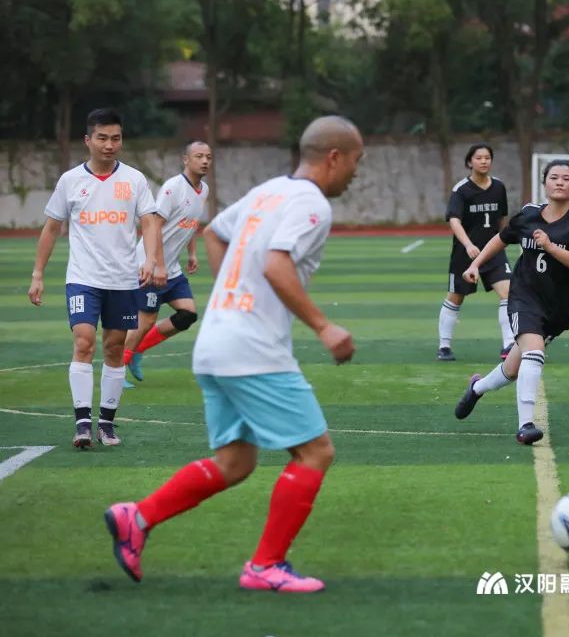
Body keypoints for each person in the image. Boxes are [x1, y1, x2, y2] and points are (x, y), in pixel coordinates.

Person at [104, 116, 363, 593]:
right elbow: (277, 265)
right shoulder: (312, 203)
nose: (355, 172)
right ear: (334, 157)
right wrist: (324, 327)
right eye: (355, 161)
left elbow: (213, 234)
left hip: (216, 342)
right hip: (252, 349)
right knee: (314, 452)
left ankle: (135, 517)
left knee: (236, 462)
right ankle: (266, 566)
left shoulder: (268, 192)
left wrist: (231, 296)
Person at [27, 108, 166, 449]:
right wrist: (38, 274)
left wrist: (151, 258)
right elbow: (51, 227)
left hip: (123, 280)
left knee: (115, 347)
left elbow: (149, 221)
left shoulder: (134, 180)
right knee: (84, 342)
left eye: (115, 138)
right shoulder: (70, 181)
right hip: (83, 278)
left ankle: (106, 423)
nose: (109, 145)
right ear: (88, 140)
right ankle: (81, 424)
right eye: (102, 138)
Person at [453, 159, 569, 445]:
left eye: (566, 178)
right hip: (524, 296)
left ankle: (477, 388)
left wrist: (550, 247)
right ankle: (525, 425)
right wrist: (476, 265)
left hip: (556, 307)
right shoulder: (529, 214)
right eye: (553, 177)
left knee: (514, 368)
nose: (559, 182)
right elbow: (501, 239)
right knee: (534, 352)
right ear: (544, 182)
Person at [122, 141, 213, 385]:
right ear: (186, 159)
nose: (205, 161)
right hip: (149, 264)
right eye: (199, 156)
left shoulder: (203, 190)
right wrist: (158, 266)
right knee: (145, 321)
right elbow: (154, 226)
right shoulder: (173, 188)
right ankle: (117, 369)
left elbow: (190, 223)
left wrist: (192, 253)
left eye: (208, 157)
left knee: (187, 315)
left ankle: (137, 351)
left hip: (171, 268)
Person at [436, 143, 513, 361]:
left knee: (509, 293)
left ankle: (508, 345)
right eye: (479, 158)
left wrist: (503, 239)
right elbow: (454, 220)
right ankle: (444, 346)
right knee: (455, 297)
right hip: (465, 254)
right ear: (470, 162)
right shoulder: (461, 190)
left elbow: (502, 218)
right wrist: (468, 244)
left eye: (487, 157)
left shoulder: (498, 187)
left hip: (493, 252)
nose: (483, 161)